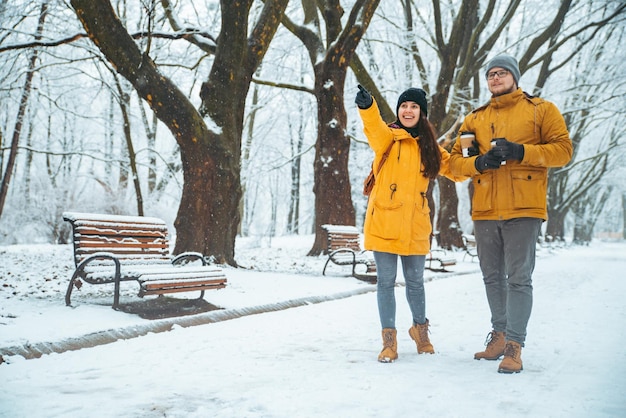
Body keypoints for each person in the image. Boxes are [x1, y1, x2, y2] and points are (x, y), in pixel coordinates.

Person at [449, 54, 573, 373]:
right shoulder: (474, 119)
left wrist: (521, 152)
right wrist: (478, 162)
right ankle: (500, 336)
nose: (495, 78)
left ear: (515, 77)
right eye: (490, 74)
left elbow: (563, 151)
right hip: (486, 209)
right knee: (492, 277)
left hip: (524, 207)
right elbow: (453, 164)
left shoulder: (540, 110)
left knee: (518, 277)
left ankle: (515, 346)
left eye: (502, 73)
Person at [355, 85, 466, 363]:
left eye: (414, 106)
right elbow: (373, 126)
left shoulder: (431, 149)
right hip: (385, 220)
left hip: (416, 223)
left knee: (416, 282)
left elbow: (455, 170)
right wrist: (367, 106)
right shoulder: (387, 139)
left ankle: (420, 332)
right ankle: (389, 341)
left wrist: (476, 159)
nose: (408, 110)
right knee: (386, 282)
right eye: (404, 106)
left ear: (422, 113)